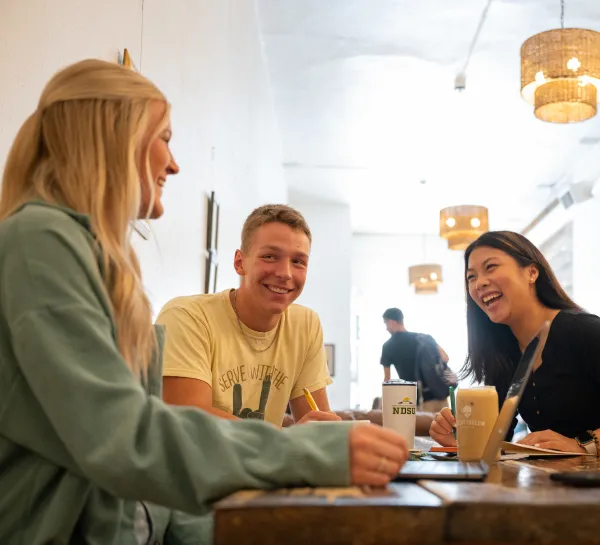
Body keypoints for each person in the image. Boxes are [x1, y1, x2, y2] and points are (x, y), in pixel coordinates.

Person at [0, 59, 407, 545]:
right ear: (113, 138)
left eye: (298, 262)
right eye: (165, 138)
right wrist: (306, 449)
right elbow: (125, 436)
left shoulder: (83, 252)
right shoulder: (40, 239)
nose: (173, 163)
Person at [429, 231, 600, 462]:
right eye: (471, 277)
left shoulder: (581, 329)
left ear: (531, 272)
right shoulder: (504, 349)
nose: (479, 283)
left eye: (491, 267)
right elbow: (497, 436)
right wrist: (462, 439)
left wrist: (584, 445)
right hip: (555, 481)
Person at [156, 204, 339, 427]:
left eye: (298, 261)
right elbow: (191, 425)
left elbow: (319, 429)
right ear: (240, 262)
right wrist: (287, 441)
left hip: (265, 461)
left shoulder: (305, 325)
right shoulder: (185, 317)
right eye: (270, 256)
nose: (285, 273)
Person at [381, 307, 453, 412]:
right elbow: (445, 358)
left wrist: (385, 405)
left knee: (424, 428)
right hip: (441, 396)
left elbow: (387, 380)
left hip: (420, 401)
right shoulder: (425, 338)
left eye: (385, 323)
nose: (386, 328)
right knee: (445, 427)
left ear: (391, 322)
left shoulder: (388, 346)